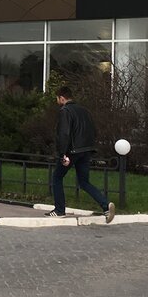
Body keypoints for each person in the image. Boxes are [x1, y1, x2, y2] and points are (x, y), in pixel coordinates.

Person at [47, 86, 114, 223]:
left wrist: (62, 154)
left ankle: (59, 210)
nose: (57, 101)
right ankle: (106, 205)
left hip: (72, 151)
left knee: (57, 177)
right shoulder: (84, 111)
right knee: (84, 182)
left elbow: (64, 134)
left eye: (57, 99)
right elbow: (93, 130)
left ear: (62, 98)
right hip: (86, 150)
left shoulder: (65, 111)